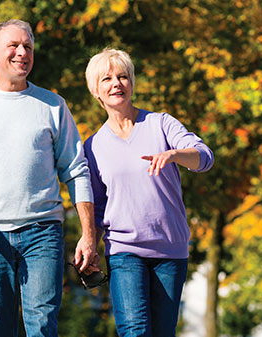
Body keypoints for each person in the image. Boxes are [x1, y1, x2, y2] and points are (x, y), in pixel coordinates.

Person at [0, 19, 99, 337]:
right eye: (14, 46)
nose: (22, 52)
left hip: (43, 234)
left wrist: (88, 235)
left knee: (41, 327)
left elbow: (77, 171)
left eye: (28, 47)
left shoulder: (53, 105)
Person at [83, 48, 214, 337]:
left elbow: (204, 157)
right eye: (107, 79)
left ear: (132, 83)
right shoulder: (92, 147)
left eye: (123, 76)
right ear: (96, 90)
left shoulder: (161, 124)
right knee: (135, 331)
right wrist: (89, 243)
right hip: (124, 250)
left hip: (171, 249)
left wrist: (176, 154)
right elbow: (96, 207)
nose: (116, 83)